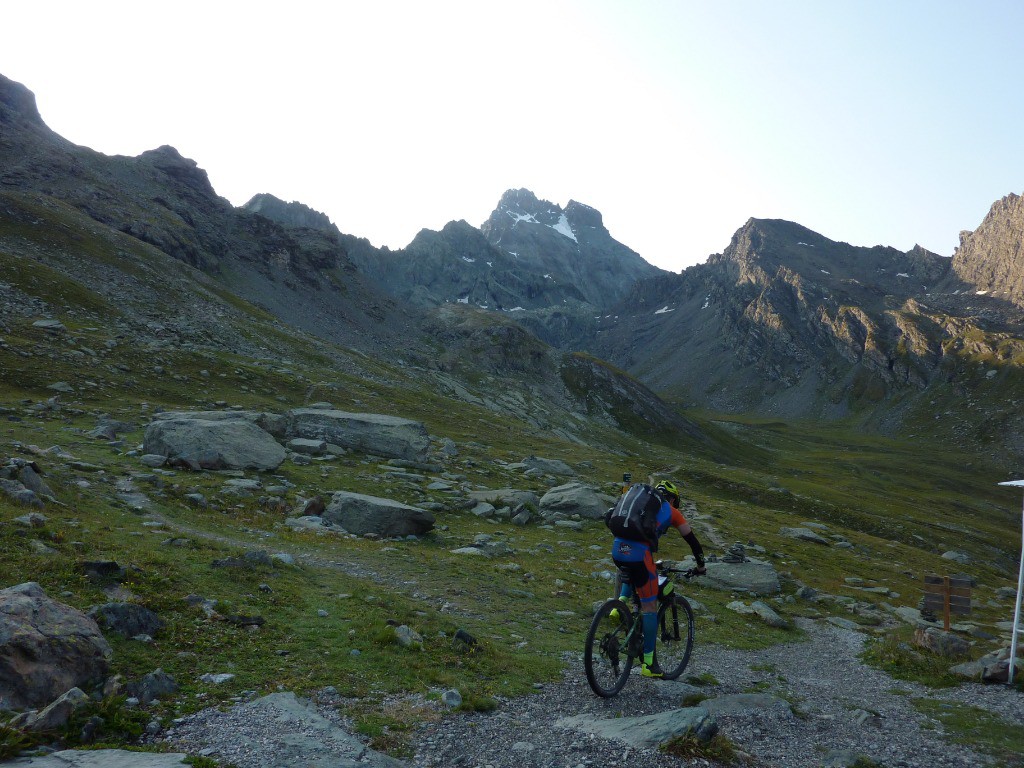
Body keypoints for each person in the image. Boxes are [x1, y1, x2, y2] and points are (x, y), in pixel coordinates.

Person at [610, 479, 706, 678]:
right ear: (671, 498)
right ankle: (649, 664)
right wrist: (700, 566)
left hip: (618, 548)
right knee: (649, 606)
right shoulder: (672, 511)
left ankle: (618, 606)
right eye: (675, 501)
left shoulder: (637, 504)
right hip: (640, 553)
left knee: (633, 571)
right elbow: (692, 541)